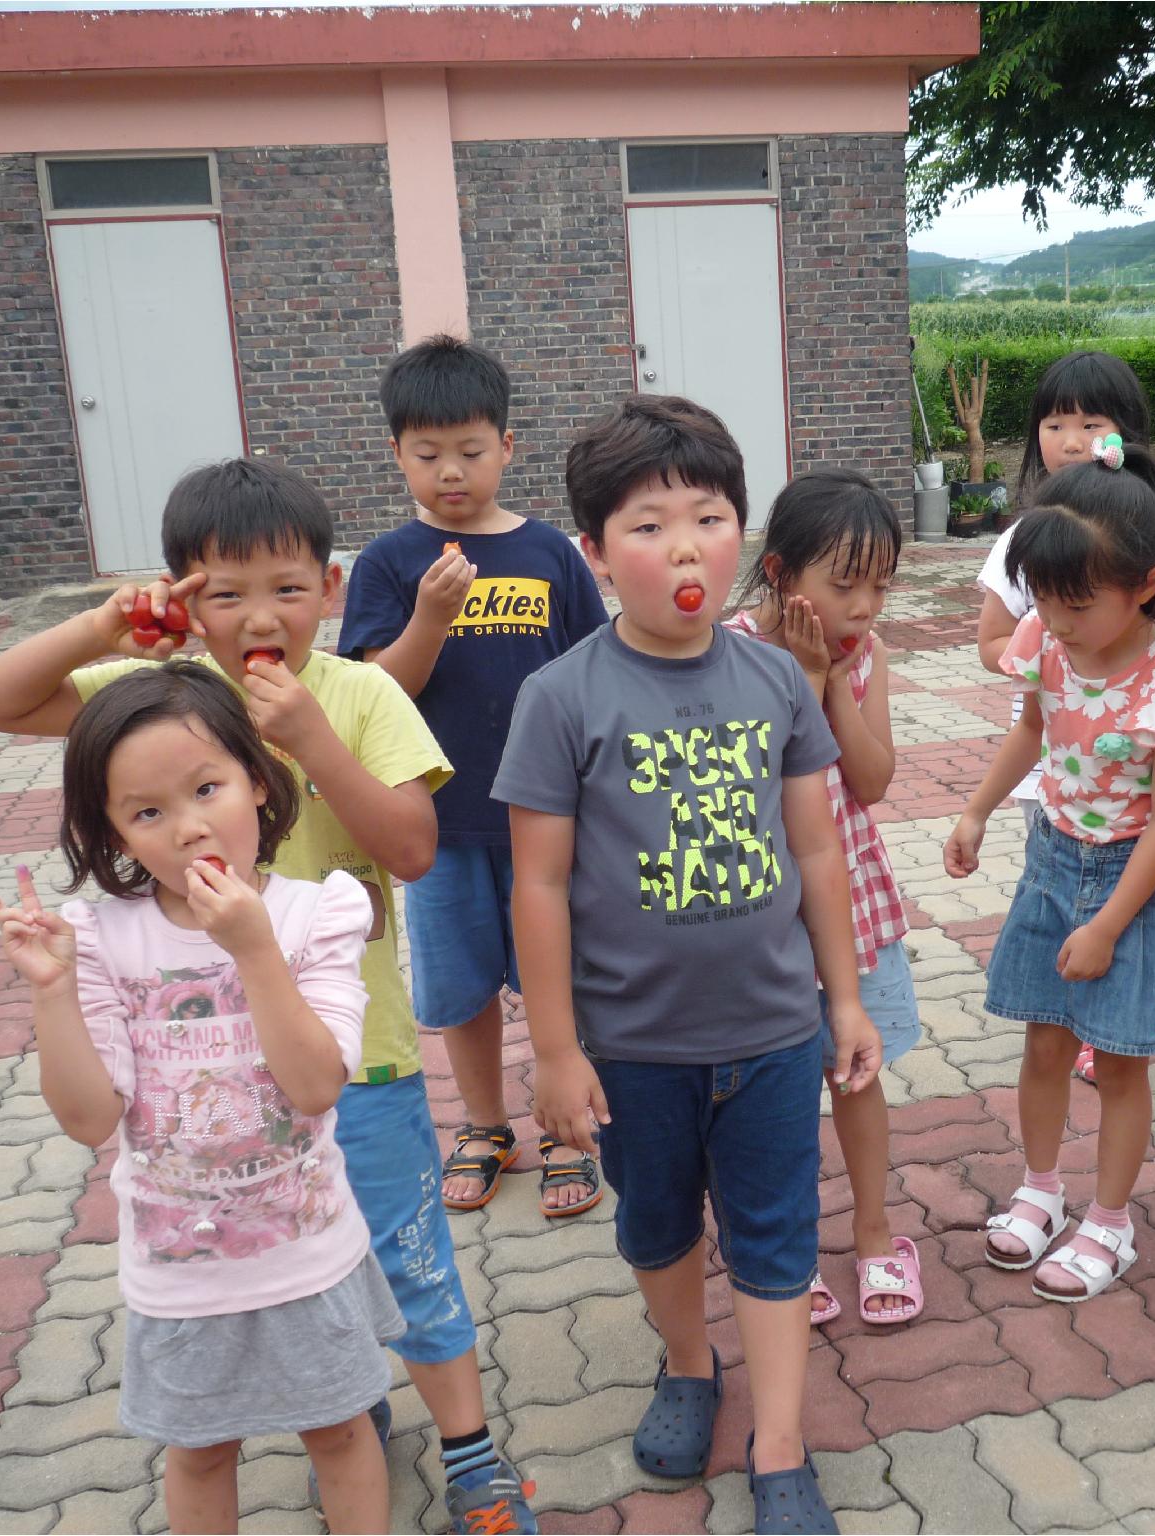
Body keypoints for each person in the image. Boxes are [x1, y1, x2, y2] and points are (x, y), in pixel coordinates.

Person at [0, 460, 536, 1532]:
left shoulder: (360, 692)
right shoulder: (164, 707)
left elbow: (413, 849)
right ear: (182, 596)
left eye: (285, 587)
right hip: (207, 1080)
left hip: (353, 1055)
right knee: (302, 1267)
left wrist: (311, 736)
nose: (258, 616)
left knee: (406, 1254)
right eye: (223, 593)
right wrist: (100, 631)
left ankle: (469, 1452)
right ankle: (351, 1415)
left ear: (327, 585)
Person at [494, 395, 881, 1535]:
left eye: (706, 519)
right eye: (648, 526)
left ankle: (777, 1439)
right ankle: (684, 1365)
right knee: (655, 1226)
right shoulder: (558, 697)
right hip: (631, 1045)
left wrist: (845, 999)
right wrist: (555, 1052)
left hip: (770, 1029)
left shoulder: (774, 682)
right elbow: (538, 886)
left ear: (741, 539)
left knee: (773, 1231)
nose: (681, 549)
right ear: (595, 553)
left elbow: (816, 849)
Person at [0, 664, 397, 1534]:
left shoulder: (317, 914)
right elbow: (91, 1119)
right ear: (117, 833)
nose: (190, 827)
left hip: (306, 1254)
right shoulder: (102, 937)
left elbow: (318, 1085)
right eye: (148, 812)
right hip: (179, 1273)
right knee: (200, 1451)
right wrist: (52, 992)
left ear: (259, 778)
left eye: (208, 787)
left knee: (341, 1434)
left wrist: (251, 951)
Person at [339, 334, 609, 1217]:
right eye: (427, 455)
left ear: (506, 447)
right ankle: (486, 1123)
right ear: (397, 455)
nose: (450, 471)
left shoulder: (550, 555)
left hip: (548, 818)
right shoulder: (389, 563)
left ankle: (570, 1124)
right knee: (461, 989)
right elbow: (379, 691)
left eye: (469, 450)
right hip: (441, 824)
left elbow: (590, 672)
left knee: (556, 981)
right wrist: (429, 616)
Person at [943, 437, 1155, 1307]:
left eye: (1076, 603)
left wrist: (1106, 925)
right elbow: (1031, 730)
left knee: (1123, 1060)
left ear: (1146, 583)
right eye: (1046, 602)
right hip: (1053, 859)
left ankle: (1111, 1218)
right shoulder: (1047, 644)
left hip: (1138, 880)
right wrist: (978, 809)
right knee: (1044, 1040)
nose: (1056, 621)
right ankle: (1039, 1185)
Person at [973, 350, 1155, 1083]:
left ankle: (1105, 1025)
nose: (1070, 438)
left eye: (1089, 422)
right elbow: (1015, 694)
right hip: (1061, 803)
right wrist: (1057, 651)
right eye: (1053, 423)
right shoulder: (1034, 563)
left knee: (1119, 1050)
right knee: (1047, 1001)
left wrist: (1137, 668)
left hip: (1131, 825)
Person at [727, 469, 923, 1326]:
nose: (865, 606)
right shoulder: (727, 647)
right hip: (760, 912)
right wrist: (802, 677)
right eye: (844, 584)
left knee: (857, 1077)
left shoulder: (866, 653)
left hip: (850, 896)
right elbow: (764, 778)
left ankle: (877, 1236)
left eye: (879, 585)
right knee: (771, 1098)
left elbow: (872, 780)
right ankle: (786, 1252)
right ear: (780, 574)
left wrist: (836, 677)